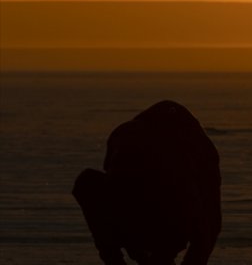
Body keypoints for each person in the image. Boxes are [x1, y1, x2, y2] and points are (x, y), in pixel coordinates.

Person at [72, 100, 221, 265]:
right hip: (154, 205)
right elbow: (209, 227)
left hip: (162, 205)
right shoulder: (129, 146)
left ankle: (144, 251)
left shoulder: (193, 166)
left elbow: (208, 227)